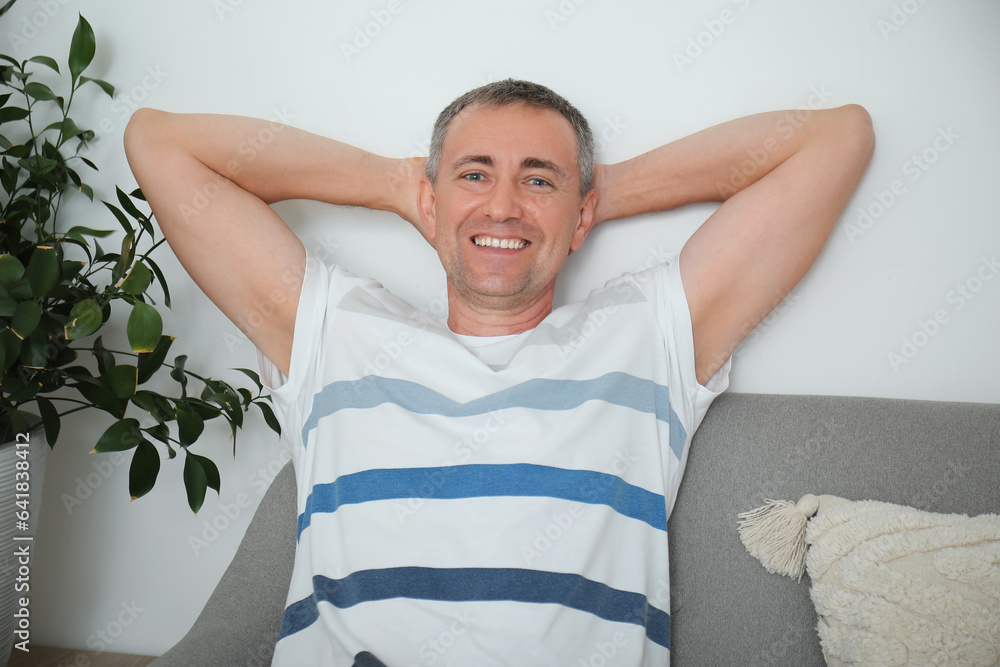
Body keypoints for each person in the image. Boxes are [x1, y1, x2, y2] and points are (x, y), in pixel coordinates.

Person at [124, 80, 874, 666]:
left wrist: (588, 193)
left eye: (537, 181)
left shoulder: (649, 332)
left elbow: (836, 138)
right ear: (430, 197)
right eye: (475, 174)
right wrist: (402, 185)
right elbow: (157, 142)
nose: (504, 206)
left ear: (582, 216)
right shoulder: (334, 329)